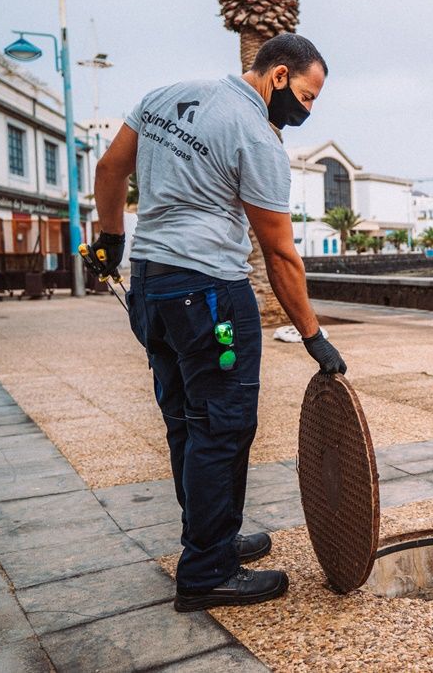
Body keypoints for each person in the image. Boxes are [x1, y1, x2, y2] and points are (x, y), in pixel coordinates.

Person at [89, 33, 347, 611]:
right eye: (306, 97)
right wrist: (314, 336)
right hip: (208, 293)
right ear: (278, 76)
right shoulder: (255, 134)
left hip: (151, 287)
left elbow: (110, 169)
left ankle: (215, 537)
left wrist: (108, 239)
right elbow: (279, 253)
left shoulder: (167, 94)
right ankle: (207, 570)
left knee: (186, 417)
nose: (306, 112)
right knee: (221, 425)